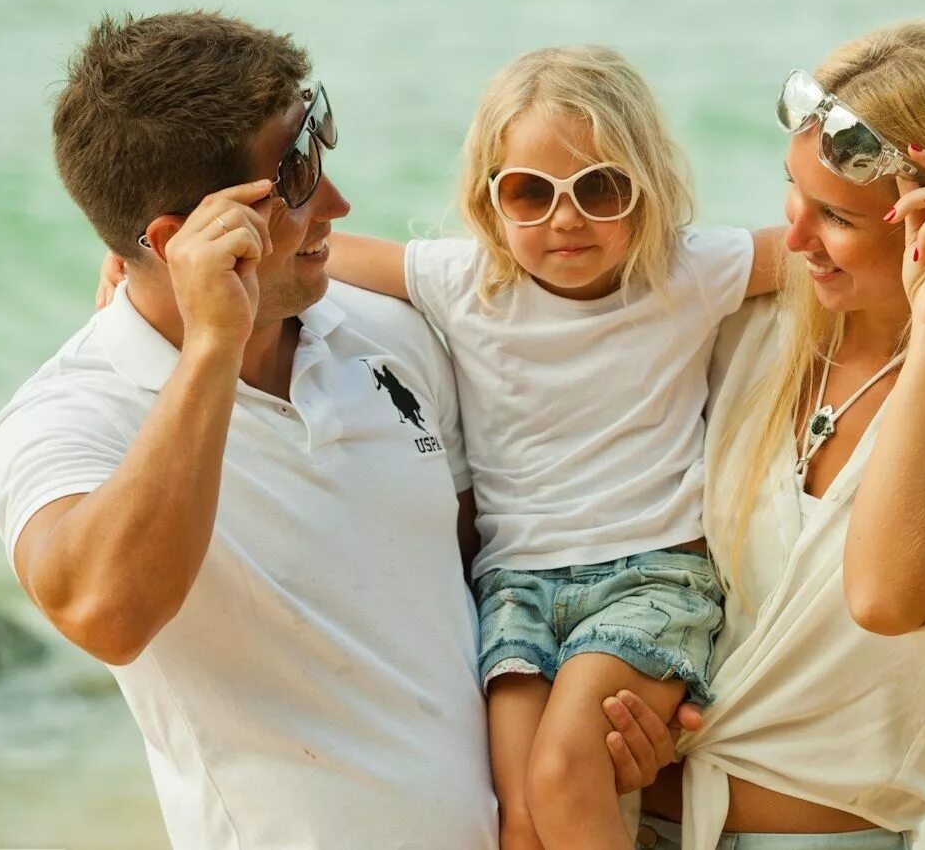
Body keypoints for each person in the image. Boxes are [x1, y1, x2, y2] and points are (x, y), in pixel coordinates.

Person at [600, 21, 925, 850]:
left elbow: (889, 596)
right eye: (792, 193)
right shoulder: (750, 326)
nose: (796, 239)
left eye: (836, 216)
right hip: (630, 822)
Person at [0, 11, 504, 848]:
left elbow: (488, 577)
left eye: (318, 150)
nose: (336, 202)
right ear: (175, 241)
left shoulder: (392, 338)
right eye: (294, 180)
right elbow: (106, 614)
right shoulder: (66, 418)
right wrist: (214, 343)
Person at [325, 45, 782, 849]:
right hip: (515, 591)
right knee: (521, 823)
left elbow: (822, 242)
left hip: (651, 574)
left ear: (647, 189)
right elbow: (314, 250)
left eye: (599, 188)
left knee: (565, 771)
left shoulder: (687, 272)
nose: (564, 219)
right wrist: (154, 257)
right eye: (529, 193)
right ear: (487, 200)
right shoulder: (467, 283)